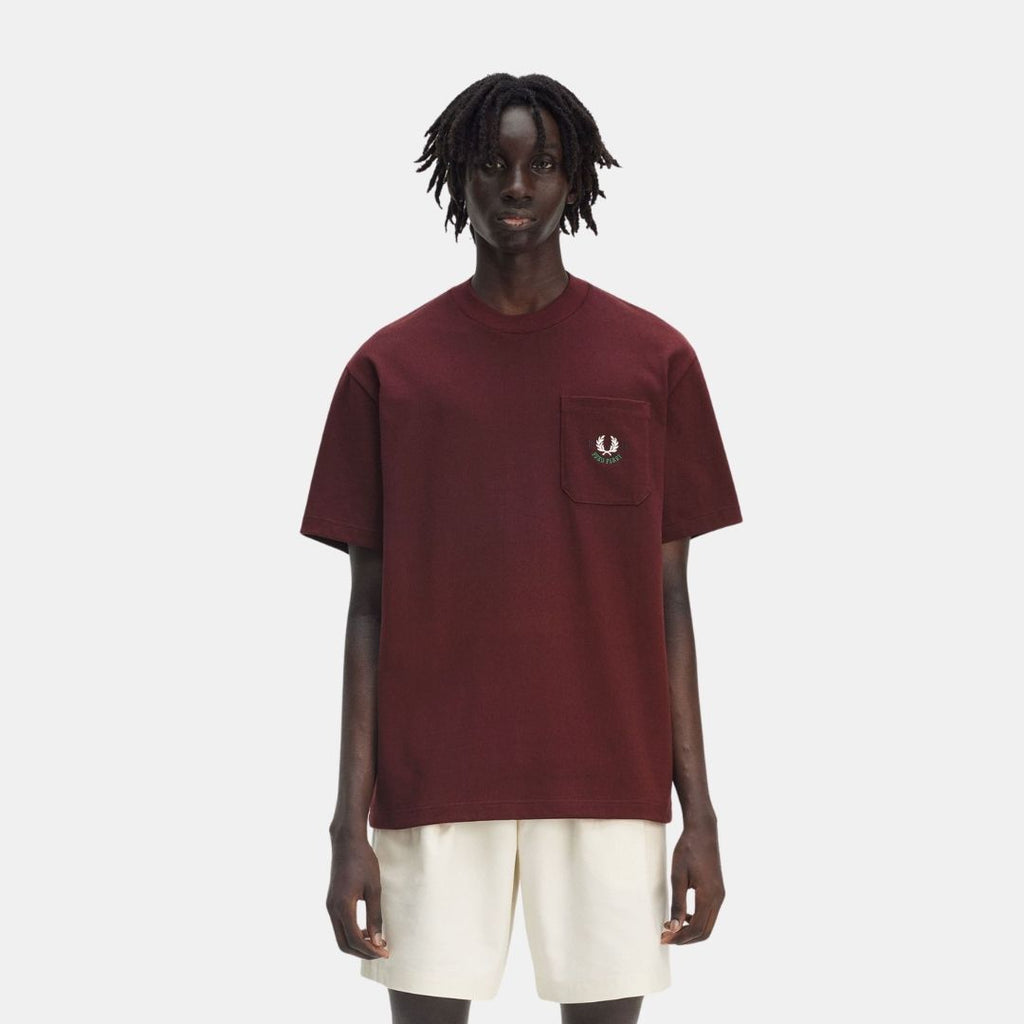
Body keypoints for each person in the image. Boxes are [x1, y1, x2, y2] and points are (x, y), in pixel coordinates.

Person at [299, 72, 743, 1024]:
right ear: (455, 176)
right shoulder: (390, 371)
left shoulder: (654, 360)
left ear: (574, 179)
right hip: (433, 782)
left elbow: (670, 600)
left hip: (609, 780)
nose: (515, 185)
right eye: (491, 164)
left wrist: (699, 815)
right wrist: (346, 826)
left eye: (542, 164)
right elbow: (368, 610)